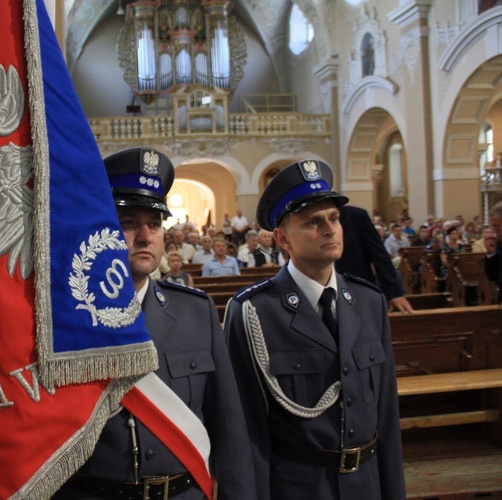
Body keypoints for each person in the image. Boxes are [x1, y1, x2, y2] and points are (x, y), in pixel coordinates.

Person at [54, 147, 254, 498]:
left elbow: (229, 428)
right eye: (128, 223)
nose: (145, 236)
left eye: (154, 223)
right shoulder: (64, 316)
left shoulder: (196, 311)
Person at [224, 159, 405, 499]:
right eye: (313, 222)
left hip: (366, 484)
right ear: (282, 238)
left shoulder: (369, 302)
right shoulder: (255, 311)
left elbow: (387, 414)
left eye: (334, 218)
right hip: (298, 487)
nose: (329, 229)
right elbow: (246, 429)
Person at [337, 205, 414, 314]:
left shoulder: (355, 216)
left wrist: (393, 293)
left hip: (357, 291)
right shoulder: (304, 215)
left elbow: (379, 255)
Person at [483, 201, 502, 302]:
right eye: (492, 226)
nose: (493, 231)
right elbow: (493, 276)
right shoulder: (499, 244)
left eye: (497, 226)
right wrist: (491, 253)